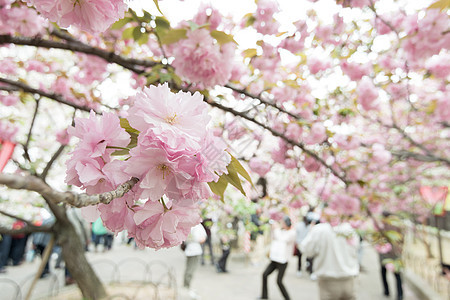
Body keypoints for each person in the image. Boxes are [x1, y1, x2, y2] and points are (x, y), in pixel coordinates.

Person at [300, 220, 360, 300]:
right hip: (349, 279)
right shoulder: (350, 229)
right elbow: (356, 249)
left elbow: (307, 250)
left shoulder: (319, 229)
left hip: (328, 281)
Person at [258, 216, 295, 300]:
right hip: (275, 259)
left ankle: (287, 298)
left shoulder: (292, 233)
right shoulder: (281, 231)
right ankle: (264, 296)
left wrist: (276, 229)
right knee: (264, 275)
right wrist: (273, 229)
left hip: (283, 261)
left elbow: (282, 239)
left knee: (279, 281)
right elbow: (274, 238)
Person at [379, 212, 404, 300]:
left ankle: (387, 291)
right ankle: (400, 295)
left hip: (385, 253)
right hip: (395, 252)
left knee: (383, 272)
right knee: (397, 274)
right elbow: (402, 239)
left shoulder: (381, 226)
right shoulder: (396, 225)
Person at [183, 223, 207, 299]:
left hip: (191, 250)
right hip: (194, 251)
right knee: (190, 270)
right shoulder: (196, 226)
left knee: (189, 269)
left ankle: (187, 286)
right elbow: (202, 239)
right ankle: (187, 287)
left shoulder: (192, 225)